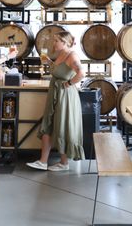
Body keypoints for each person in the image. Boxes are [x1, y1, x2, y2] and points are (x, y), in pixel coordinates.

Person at [27, 31, 85, 171]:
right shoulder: (61, 54)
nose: (53, 43)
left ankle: (64, 163)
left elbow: (81, 73)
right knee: (49, 123)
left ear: (64, 42)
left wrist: (70, 83)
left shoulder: (72, 56)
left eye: (56, 41)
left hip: (65, 94)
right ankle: (43, 161)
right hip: (55, 92)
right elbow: (60, 70)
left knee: (62, 125)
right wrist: (48, 62)